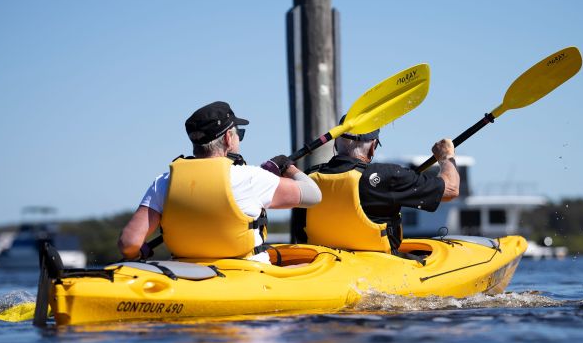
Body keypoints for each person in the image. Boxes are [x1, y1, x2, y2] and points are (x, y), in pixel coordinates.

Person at [118, 101, 321, 263]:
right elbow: (314, 195)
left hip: (184, 275)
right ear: (227, 138)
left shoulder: (164, 182)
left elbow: (129, 244)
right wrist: (287, 167)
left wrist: (137, 253)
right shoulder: (251, 178)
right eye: (239, 133)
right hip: (247, 275)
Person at [294, 123, 459, 254]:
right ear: (373, 147)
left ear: (336, 143)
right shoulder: (388, 175)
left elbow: (300, 232)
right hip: (377, 265)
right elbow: (451, 189)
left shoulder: (308, 177)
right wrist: (445, 156)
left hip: (324, 263)